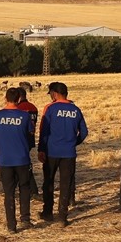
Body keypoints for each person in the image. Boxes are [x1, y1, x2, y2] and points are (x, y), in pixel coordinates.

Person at [37, 81, 87, 226]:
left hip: (51, 151)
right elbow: (84, 132)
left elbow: (44, 131)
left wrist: (41, 149)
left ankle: (47, 212)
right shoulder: (76, 110)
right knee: (66, 183)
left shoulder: (51, 109)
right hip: (69, 153)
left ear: (54, 93)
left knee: (49, 182)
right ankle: (62, 217)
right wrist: (73, 142)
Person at [0, 89, 34, 233]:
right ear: (19, 99)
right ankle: (25, 219)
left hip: (5, 159)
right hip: (22, 159)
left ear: (5, 98)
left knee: (9, 192)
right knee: (24, 189)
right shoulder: (25, 116)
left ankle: (11, 225)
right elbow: (31, 133)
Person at [14, 85, 41, 198]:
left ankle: (29, 189)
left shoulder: (19, 109)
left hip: (20, 139)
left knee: (20, 165)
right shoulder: (33, 107)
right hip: (30, 139)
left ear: (19, 97)